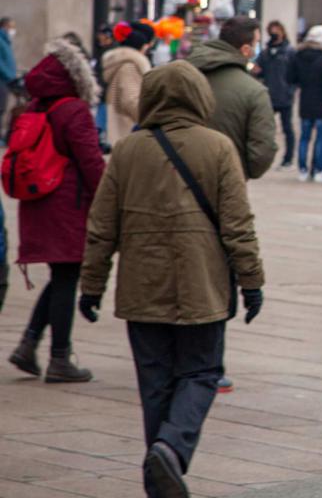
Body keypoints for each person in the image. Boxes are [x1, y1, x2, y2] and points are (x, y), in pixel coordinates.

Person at [79, 61, 265, 498]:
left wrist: (91, 285)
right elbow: (238, 225)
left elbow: (101, 226)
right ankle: (170, 449)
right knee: (201, 371)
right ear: (201, 98)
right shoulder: (218, 147)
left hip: (142, 286)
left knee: (155, 380)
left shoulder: (127, 150)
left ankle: (160, 468)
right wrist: (251, 281)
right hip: (203, 284)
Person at [6, 39, 105, 383]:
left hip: (39, 202)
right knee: (66, 278)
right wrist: (108, 198)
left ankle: (28, 345)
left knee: (61, 276)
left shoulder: (35, 107)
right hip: (68, 205)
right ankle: (59, 358)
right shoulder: (73, 110)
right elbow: (90, 160)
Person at [188, 16, 278, 180]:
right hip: (226, 179)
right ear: (245, 49)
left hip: (176, 175)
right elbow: (262, 150)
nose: (256, 49)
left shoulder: (182, 73)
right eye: (256, 43)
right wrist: (243, 171)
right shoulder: (254, 91)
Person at [289, 25, 322, 183]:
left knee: (304, 137)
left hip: (305, 100)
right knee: (321, 138)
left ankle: (302, 169)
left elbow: (291, 78)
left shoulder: (298, 55)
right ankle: (319, 170)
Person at [101, 21, 154, 145]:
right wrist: (150, 117)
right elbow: (130, 100)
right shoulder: (129, 66)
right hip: (124, 126)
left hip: (120, 123)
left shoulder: (124, 63)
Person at [255, 20, 295, 168]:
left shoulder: (289, 51)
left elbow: (295, 75)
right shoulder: (266, 53)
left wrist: (291, 90)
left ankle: (288, 159)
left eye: (276, 30)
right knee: (265, 129)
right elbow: (259, 71)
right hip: (269, 95)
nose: (274, 33)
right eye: (271, 30)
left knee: (287, 129)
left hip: (285, 96)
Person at [0, 17, 15, 144]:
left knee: (2, 108)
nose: (12, 30)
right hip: (2, 79)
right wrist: (9, 74)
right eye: (11, 27)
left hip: (5, 80)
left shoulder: (6, 41)